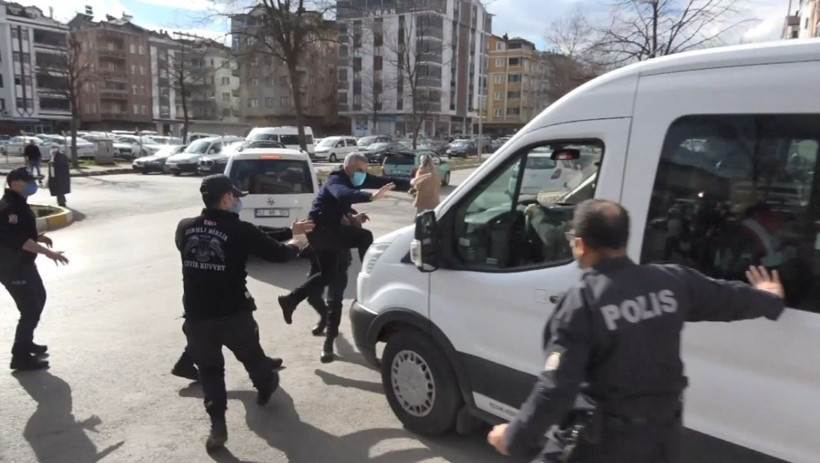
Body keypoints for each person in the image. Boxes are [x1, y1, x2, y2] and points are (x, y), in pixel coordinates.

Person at [487, 199, 785, 463]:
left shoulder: (583, 302)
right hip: (662, 439)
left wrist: (513, 437)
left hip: (603, 443)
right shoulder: (670, 281)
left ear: (580, 244)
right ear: (623, 240)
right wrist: (770, 298)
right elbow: (726, 299)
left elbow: (555, 389)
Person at [176, 174, 313, 452]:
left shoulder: (185, 227)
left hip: (197, 317)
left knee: (211, 371)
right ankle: (266, 387)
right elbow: (277, 254)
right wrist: (297, 242)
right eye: (236, 196)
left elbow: (252, 234)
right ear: (226, 198)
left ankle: (217, 426)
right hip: (233, 315)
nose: (239, 201)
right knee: (253, 358)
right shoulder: (240, 231)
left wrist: (289, 229)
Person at [278, 153, 430, 361]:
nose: (363, 174)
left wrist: (410, 182)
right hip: (324, 234)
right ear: (348, 168)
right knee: (364, 237)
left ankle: (291, 299)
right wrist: (370, 197)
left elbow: (381, 181)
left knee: (328, 276)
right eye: (360, 170)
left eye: (365, 170)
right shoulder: (336, 180)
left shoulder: (354, 179)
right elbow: (343, 195)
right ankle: (370, 270)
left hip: (328, 236)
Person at [0, 168, 70, 371]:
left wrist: (38, 236)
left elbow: (18, 232)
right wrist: (50, 253)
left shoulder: (18, 204)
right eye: (28, 181)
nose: (33, 184)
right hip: (12, 267)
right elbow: (19, 240)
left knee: (39, 298)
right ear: (15, 183)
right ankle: (20, 357)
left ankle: (26, 342)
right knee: (29, 308)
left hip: (23, 264)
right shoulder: (10, 207)